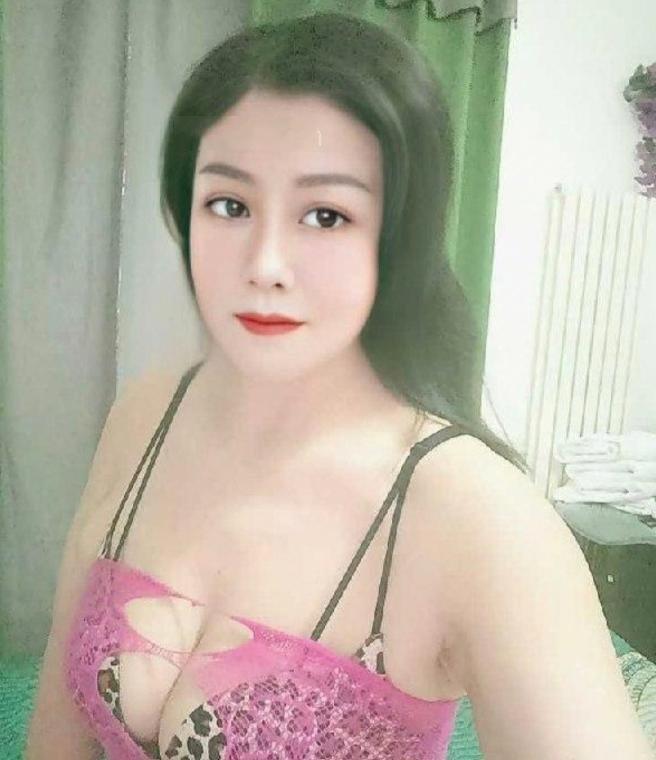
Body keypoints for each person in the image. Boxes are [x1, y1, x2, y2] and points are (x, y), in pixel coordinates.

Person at [26, 11, 653, 760]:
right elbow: (53, 741)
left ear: (398, 240)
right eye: (229, 205)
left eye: (325, 215)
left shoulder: (478, 517)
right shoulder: (145, 416)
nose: (265, 263)